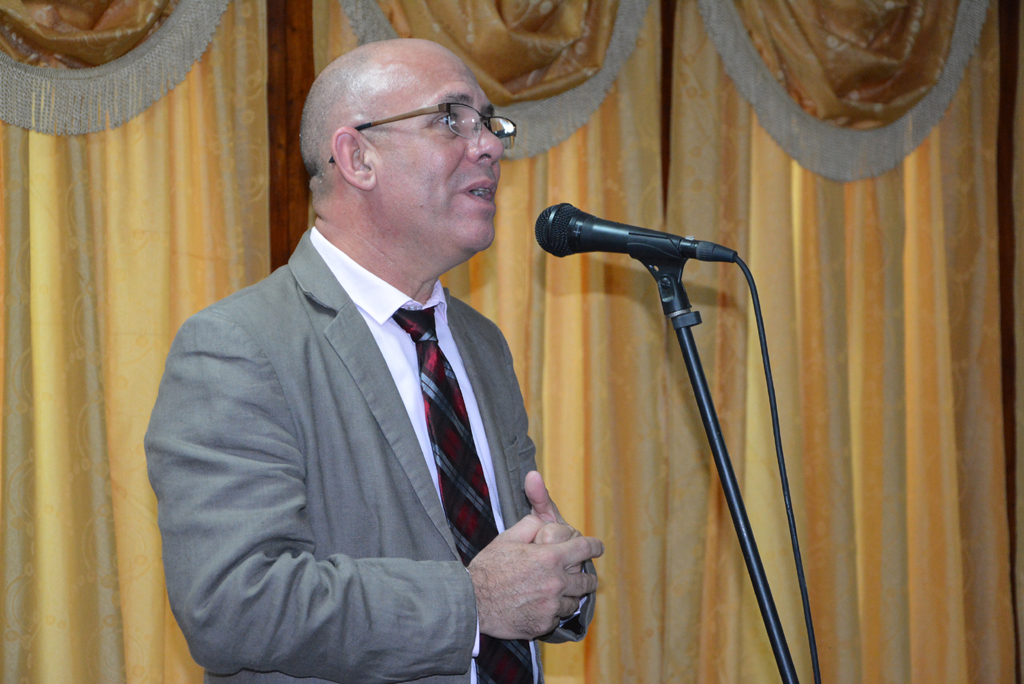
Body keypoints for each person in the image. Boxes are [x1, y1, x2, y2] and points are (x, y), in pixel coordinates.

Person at [145, 38, 604, 684]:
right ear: (357, 157)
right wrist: (472, 605)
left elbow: (507, 565)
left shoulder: (480, 343)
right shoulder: (237, 346)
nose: (490, 147)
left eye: (488, 123)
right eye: (451, 119)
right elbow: (233, 604)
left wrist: (557, 578)